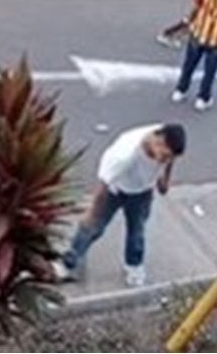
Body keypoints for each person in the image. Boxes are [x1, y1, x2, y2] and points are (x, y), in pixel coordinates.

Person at [53, 123, 186, 287]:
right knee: (92, 228)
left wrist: (164, 179)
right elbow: (103, 186)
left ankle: (134, 265)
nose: (165, 160)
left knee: (137, 230)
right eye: (164, 156)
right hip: (115, 189)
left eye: (169, 157)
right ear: (158, 141)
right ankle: (68, 263)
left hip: (142, 191)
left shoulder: (166, 139)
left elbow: (171, 160)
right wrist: (93, 213)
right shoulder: (125, 156)